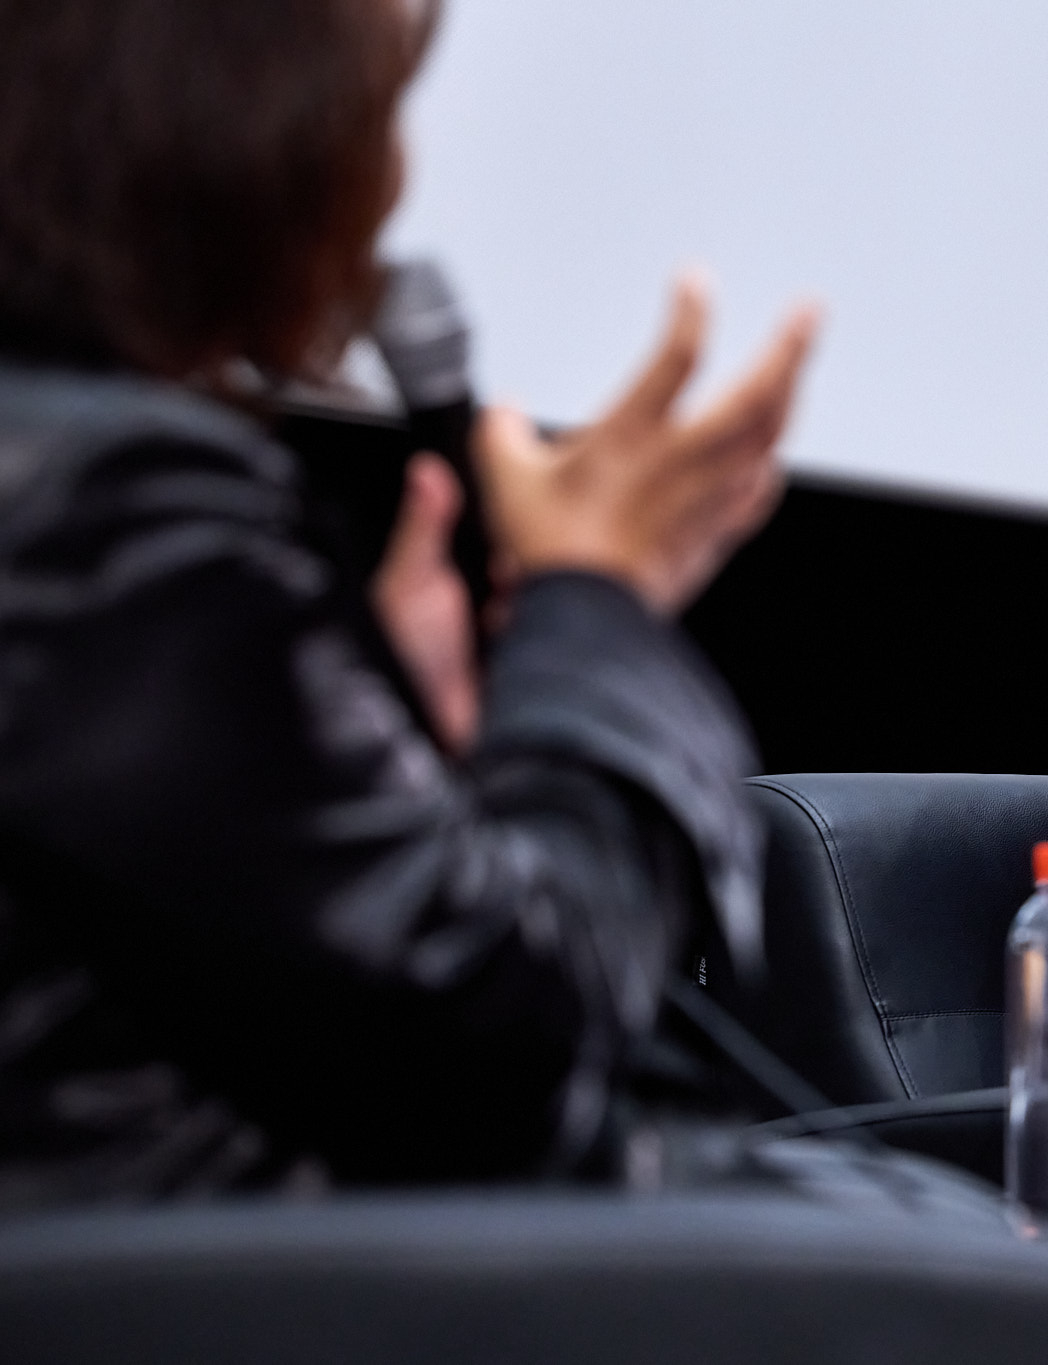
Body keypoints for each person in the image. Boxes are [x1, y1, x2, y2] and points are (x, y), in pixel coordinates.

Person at [0, 0, 817, 1199]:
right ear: (246, 139)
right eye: (379, 115)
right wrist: (599, 611)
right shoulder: (110, 506)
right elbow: (505, 1036)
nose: (392, 179)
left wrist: (345, 703)